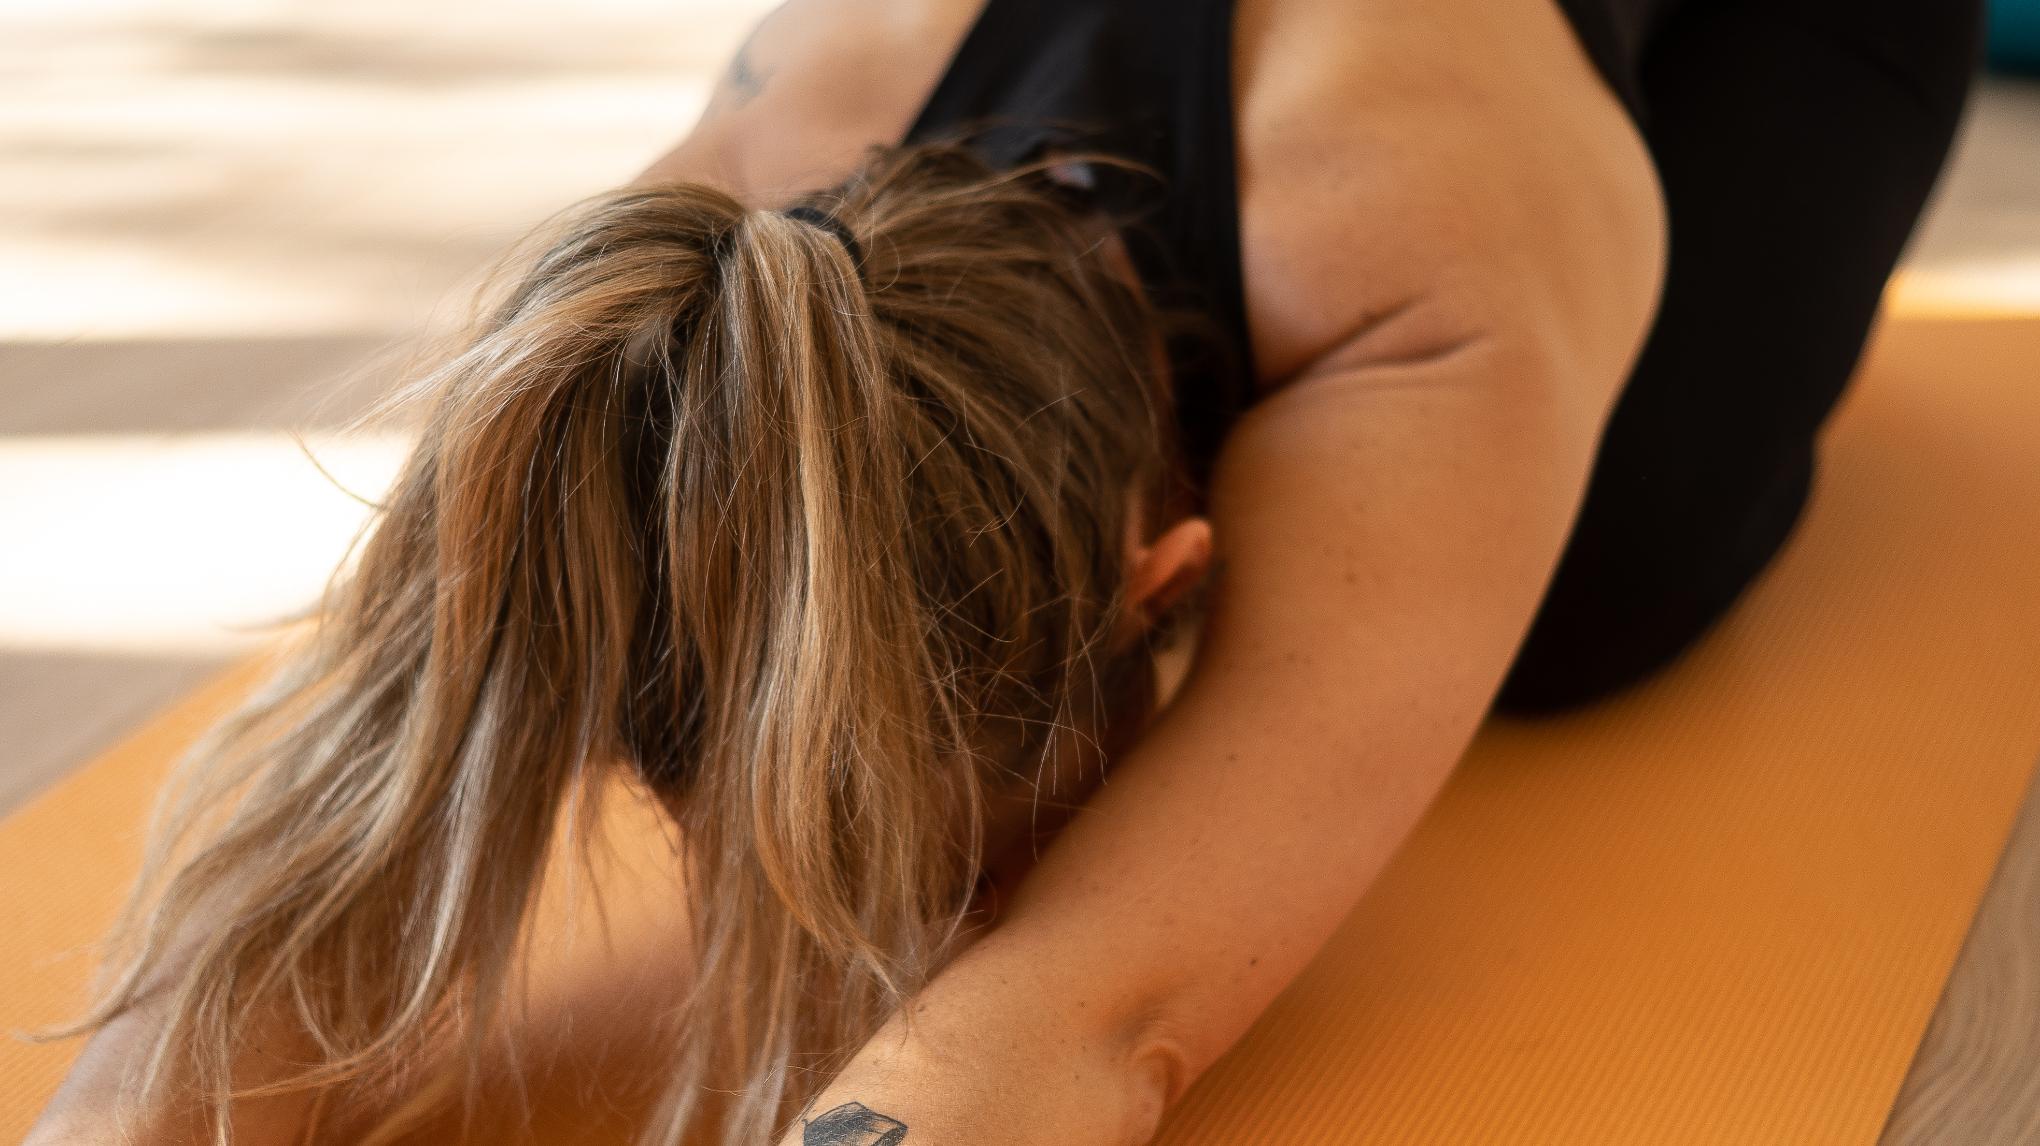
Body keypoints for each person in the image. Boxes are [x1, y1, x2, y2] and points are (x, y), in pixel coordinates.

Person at [28, 0, 1981, 1143]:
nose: (882, 943)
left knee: (1598, 601)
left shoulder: (1421, 264)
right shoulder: (707, 260)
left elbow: (1081, 1020)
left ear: (1163, 577)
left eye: (943, 861)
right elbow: (328, 832)